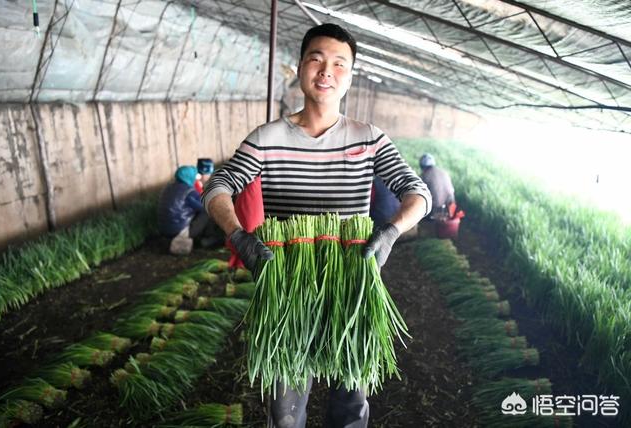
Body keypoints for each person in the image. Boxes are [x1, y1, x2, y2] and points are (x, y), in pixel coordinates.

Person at [204, 23, 432, 428]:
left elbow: (418, 193)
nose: (327, 71)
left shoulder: (369, 138)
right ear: (299, 67)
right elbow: (218, 187)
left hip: (352, 281)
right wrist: (238, 234)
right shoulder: (267, 138)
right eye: (317, 59)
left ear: (350, 76)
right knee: (284, 409)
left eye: (339, 64)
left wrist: (392, 231)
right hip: (286, 284)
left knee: (350, 404)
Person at [158, 166, 213, 255]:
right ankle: (207, 239)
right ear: (189, 177)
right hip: (179, 231)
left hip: (164, 230)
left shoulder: (168, 188)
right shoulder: (189, 192)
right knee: (207, 212)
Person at [419, 153, 455, 219]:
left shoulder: (423, 176)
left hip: (434, 212)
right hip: (451, 209)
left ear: (422, 166)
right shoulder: (444, 173)